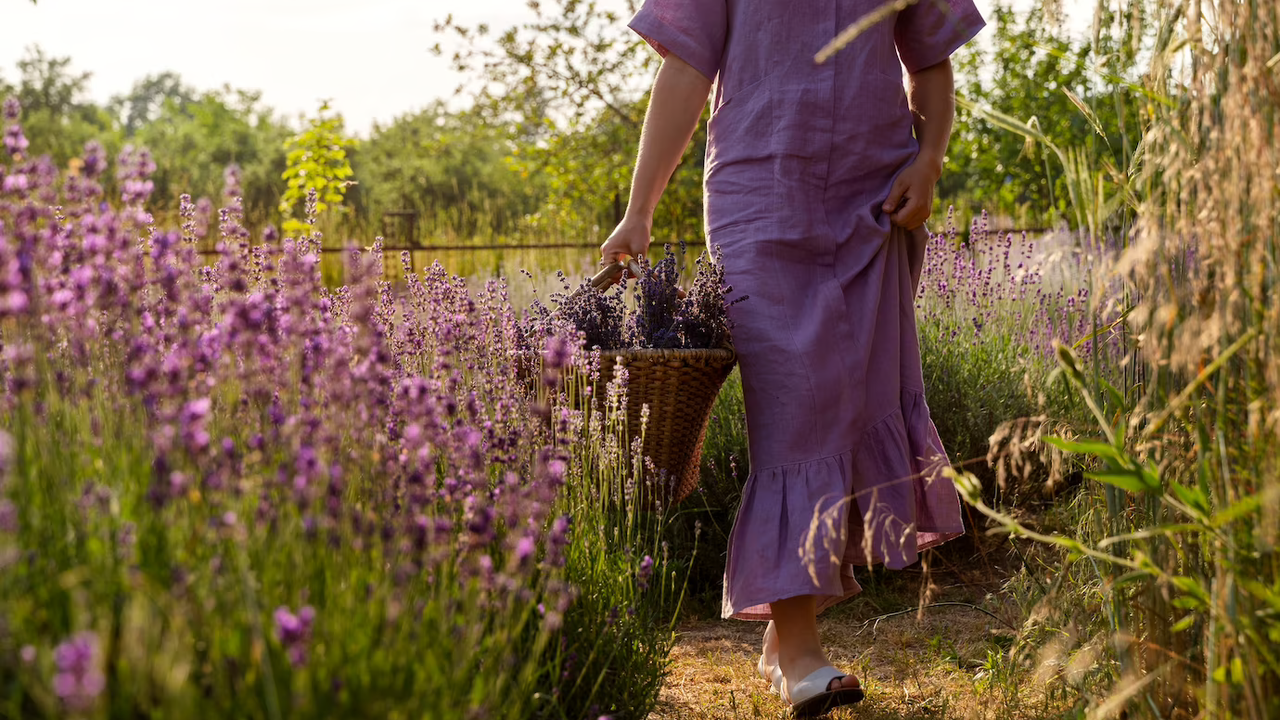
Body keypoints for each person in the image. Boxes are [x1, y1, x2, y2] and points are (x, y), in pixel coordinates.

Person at [600, 0, 985, 715]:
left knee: (856, 400)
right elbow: (686, 68)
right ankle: (801, 649)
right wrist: (639, 209)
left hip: (877, 199)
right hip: (759, 196)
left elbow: (931, 57)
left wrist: (929, 162)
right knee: (795, 410)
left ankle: (787, 633)